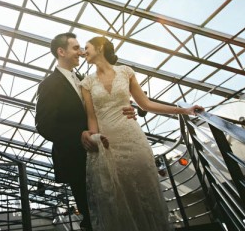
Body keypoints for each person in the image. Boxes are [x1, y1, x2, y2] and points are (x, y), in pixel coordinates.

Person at [80, 36, 204, 231]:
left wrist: (183, 110)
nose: (83, 51)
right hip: (109, 145)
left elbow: (146, 104)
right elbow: (92, 119)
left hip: (133, 139)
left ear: (100, 47)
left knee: (146, 193)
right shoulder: (86, 83)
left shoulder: (126, 72)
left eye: (86, 47)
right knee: (120, 198)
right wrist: (93, 137)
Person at [35, 32, 136, 230]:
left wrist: (123, 109)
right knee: (91, 213)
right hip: (75, 157)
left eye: (81, 48)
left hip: (102, 152)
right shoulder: (49, 84)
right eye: (75, 48)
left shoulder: (84, 79)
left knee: (113, 206)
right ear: (61, 51)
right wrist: (78, 134)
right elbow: (44, 124)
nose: (80, 53)